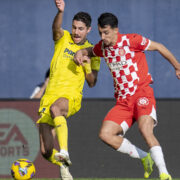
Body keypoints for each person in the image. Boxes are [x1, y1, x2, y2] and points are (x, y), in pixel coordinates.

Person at [74, 12, 180, 180]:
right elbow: (88, 50)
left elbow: (159, 46)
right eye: (100, 32)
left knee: (145, 130)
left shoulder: (132, 40)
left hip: (141, 93)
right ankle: (144, 157)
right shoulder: (102, 47)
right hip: (123, 102)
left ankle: (164, 173)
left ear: (116, 30)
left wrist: (177, 66)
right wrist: (80, 53)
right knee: (105, 135)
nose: (103, 36)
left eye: (106, 32)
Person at [37, 0, 101, 179]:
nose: (76, 32)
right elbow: (56, 29)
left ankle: (64, 151)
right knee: (45, 150)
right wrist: (60, 12)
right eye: (74, 27)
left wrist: (87, 65)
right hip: (49, 97)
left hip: (70, 96)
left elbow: (92, 82)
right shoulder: (63, 37)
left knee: (57, 108)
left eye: (80, 29)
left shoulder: (93, 52)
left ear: (88, 30)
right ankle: (63, 164)